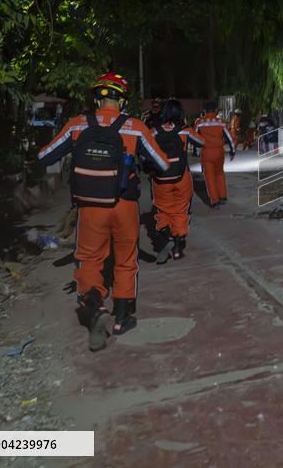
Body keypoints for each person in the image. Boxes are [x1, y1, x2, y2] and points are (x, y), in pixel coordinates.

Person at [37, 72, 169, 352]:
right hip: (124, 205)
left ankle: (95, 307)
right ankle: (122, 318)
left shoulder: (77, 124)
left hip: (90, 206)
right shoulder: (134, 127)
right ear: (122, 100)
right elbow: (163, 164)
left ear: (97, 99)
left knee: (89, 259)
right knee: (126, 260)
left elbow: (44, 156)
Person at [150, 99, 203, 263]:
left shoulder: (154, 131)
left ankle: (166, 236)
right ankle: (178, 248)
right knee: (180, 210)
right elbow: (202, 142)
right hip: (181, 177)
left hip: (160, 178)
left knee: (163, 209)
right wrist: (186, 126)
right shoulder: (184, 131)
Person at [194, 101, 235, 207]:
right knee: (219, 173)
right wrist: (232, 151)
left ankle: (215, 200)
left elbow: (194, 137)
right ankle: (223, 196)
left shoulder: (199, 122)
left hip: (206, 152)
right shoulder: (221, 122)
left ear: (204, 110)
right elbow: (229, 137)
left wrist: (197, 149)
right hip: (219, 152)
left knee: (209, 177)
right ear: (215, 110)